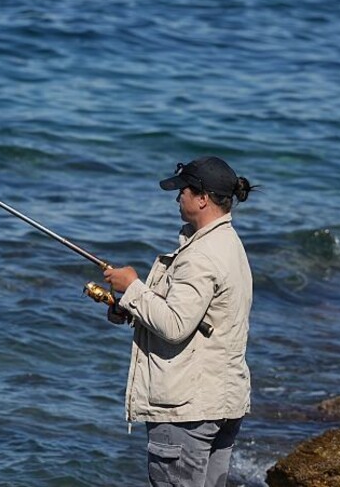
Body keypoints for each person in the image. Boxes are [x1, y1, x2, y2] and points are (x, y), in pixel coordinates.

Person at [104, 156, 254, 487]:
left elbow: (174, 326)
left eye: (182, 191)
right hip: (221, 403)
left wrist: (132, 288)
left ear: (202, 198)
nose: (177, 198)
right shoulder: (229, 244)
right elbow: (200, 318)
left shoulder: (201, 256)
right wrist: (133, 306)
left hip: (188, 410)